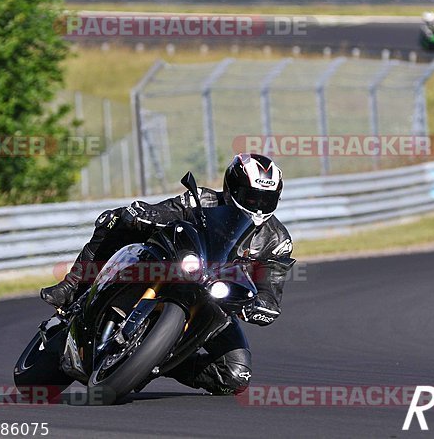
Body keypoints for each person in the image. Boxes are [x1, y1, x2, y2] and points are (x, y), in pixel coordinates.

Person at [40, 153, 296, 395]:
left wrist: (259, 306)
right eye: (251, 197)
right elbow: (165, 211)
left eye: (266, 199)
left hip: (216, 300)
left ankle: (155, 358)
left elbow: (270, 288)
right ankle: (72, 287)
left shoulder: (277, 241)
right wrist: (145, 214)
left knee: (236, 376)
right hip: (173, 265)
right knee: (117, 220)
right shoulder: (201, 199)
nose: (258, 205)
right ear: (231, 188)